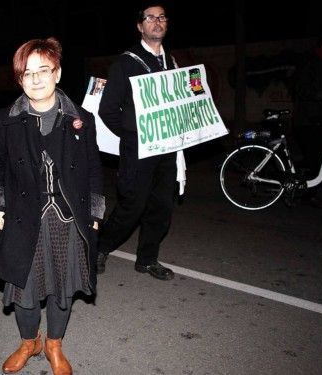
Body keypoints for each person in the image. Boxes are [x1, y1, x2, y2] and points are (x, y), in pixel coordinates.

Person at [0, 37, 104, 375]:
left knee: (62, 291)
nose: (35, 79)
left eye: (43, 70)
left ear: (58, 73)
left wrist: (94, 213)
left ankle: (53, 346)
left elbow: (94, 170)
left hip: (68, 220)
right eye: (27, 73)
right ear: (19, 79)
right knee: (24, 290)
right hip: (23, 219)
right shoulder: (6, 120)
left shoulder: (80, 119)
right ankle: (28, 342)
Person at [97, 2, 185, 280]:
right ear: (140, 26)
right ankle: (100, 249)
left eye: (162, 17)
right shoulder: (125, 63)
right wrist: (133, 135)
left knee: (162, 207)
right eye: (150, 18)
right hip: (139, 150)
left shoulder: (172, 62)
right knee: (131, 207)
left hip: (168, 149)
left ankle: (147, 260)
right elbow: (107, 110)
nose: (157, 22)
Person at [292, 31, 322, 208]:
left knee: (320, 157)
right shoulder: (310, 61)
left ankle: (300, 177)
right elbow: (302, 89)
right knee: (316, 159)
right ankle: (306, 193)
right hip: (308, 120)